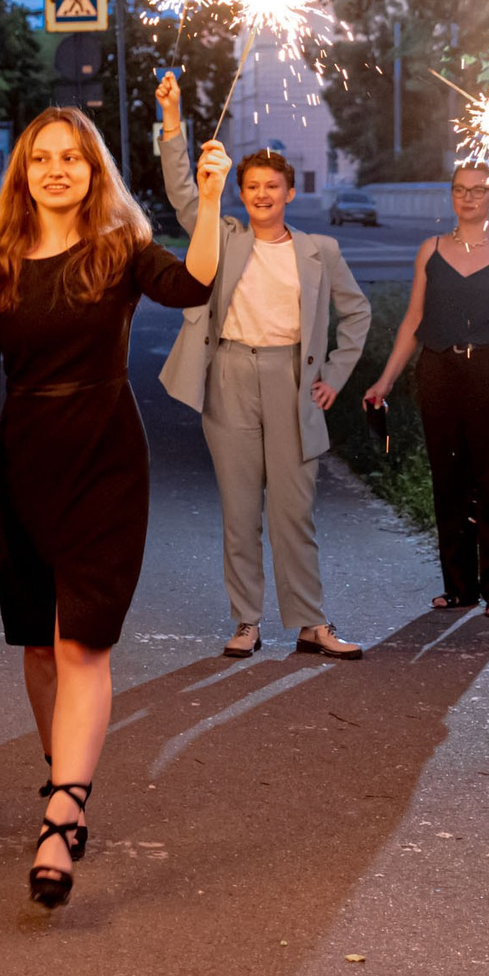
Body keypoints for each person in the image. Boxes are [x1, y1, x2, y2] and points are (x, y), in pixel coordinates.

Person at [0, 107, 222, 908]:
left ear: (93, 169)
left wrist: (209, 200)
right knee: (40, 650)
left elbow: (194, 285)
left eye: (72, 157)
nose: (57, 170)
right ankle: (61, 780)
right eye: (42, 159)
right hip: (25, 461)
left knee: (83, 646)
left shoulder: (119, 250)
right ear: (24, 172)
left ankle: (64, 815)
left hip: (106, 457)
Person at [151, 74, 372, 659]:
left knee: (294, 511)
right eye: (252, 187)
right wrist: (172, 124)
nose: (262, 195)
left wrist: (335, 378)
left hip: (294, 382)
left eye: (273, 186)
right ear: (241, 193)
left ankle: (310, 623)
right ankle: (246, 622)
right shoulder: (221, 236)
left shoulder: (319, 251)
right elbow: (182, 194)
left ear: (290, 193)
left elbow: (358, 314)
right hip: (229, 375)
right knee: (240, 509)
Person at [360, 162, 489, 618]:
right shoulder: (431, 250)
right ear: (451, 195)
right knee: (450, 482)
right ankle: (459, 587)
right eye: (460, 190)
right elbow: (413, 322)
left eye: (479, 190)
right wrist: (386, 379)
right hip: (439, 371)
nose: (469, 198)